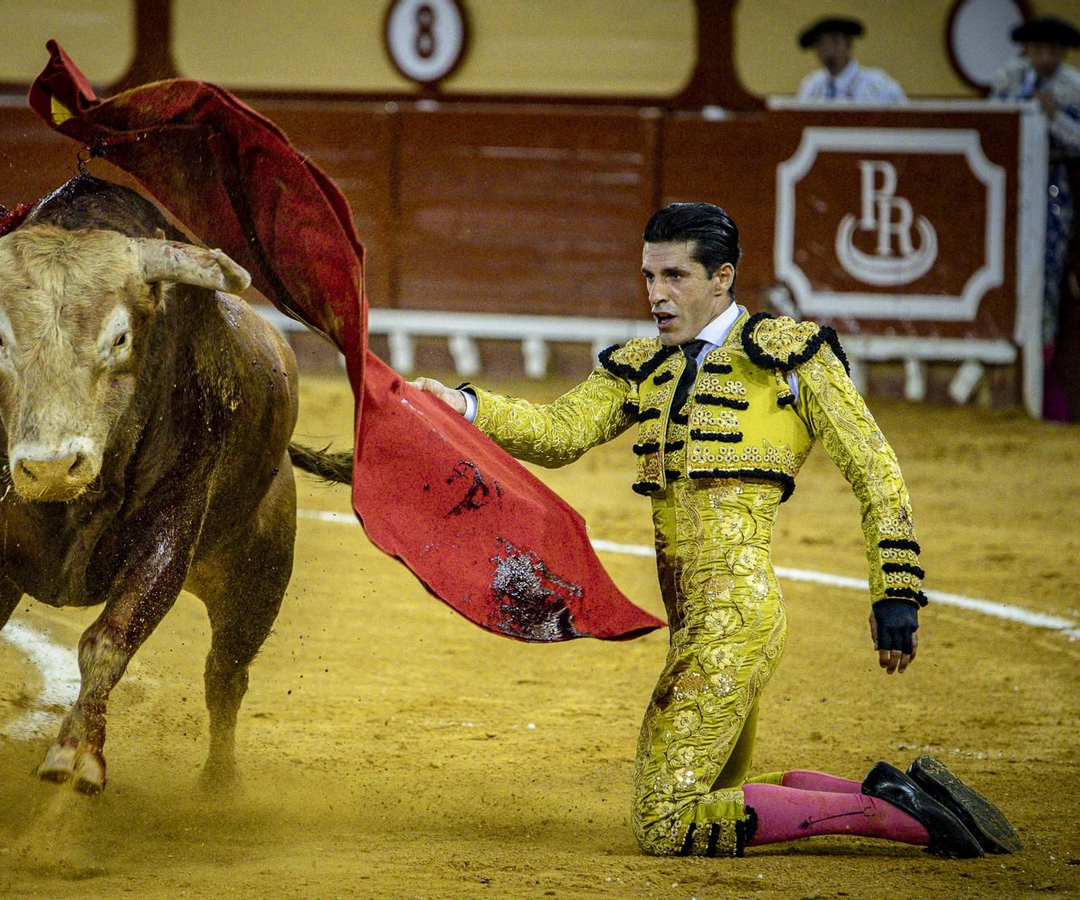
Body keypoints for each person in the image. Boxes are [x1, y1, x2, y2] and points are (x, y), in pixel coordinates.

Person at [411, 203, 1019, 858]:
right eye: (649, 276)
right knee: (710, 797)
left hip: (739, 621)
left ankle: (906, 819)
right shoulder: (644, 365)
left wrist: (895, 591)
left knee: (665, 821)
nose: (656, 294)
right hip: (693, 625)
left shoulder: (790, 358)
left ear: (722, 277)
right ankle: (892, 792)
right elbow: (559, 433)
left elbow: (877, 471)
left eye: (675, 276)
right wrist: (463, 404)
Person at [989, 16, 1080, 420]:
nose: (1045, 57)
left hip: (1053, 196)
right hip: (1004, 197)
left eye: (1054, 50)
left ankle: (1041, 380)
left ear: (1063, 53)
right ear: (1027, 50)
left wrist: (1055, 118)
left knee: (1045, 288)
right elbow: (990, 128)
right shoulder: (1007, 80)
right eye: (1038, 49)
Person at [795, 16, 906, 103]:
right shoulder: (812, 86)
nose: (828, 49)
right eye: (821, 44)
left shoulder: (877, 84)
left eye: (835, 42)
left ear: (849, 45)